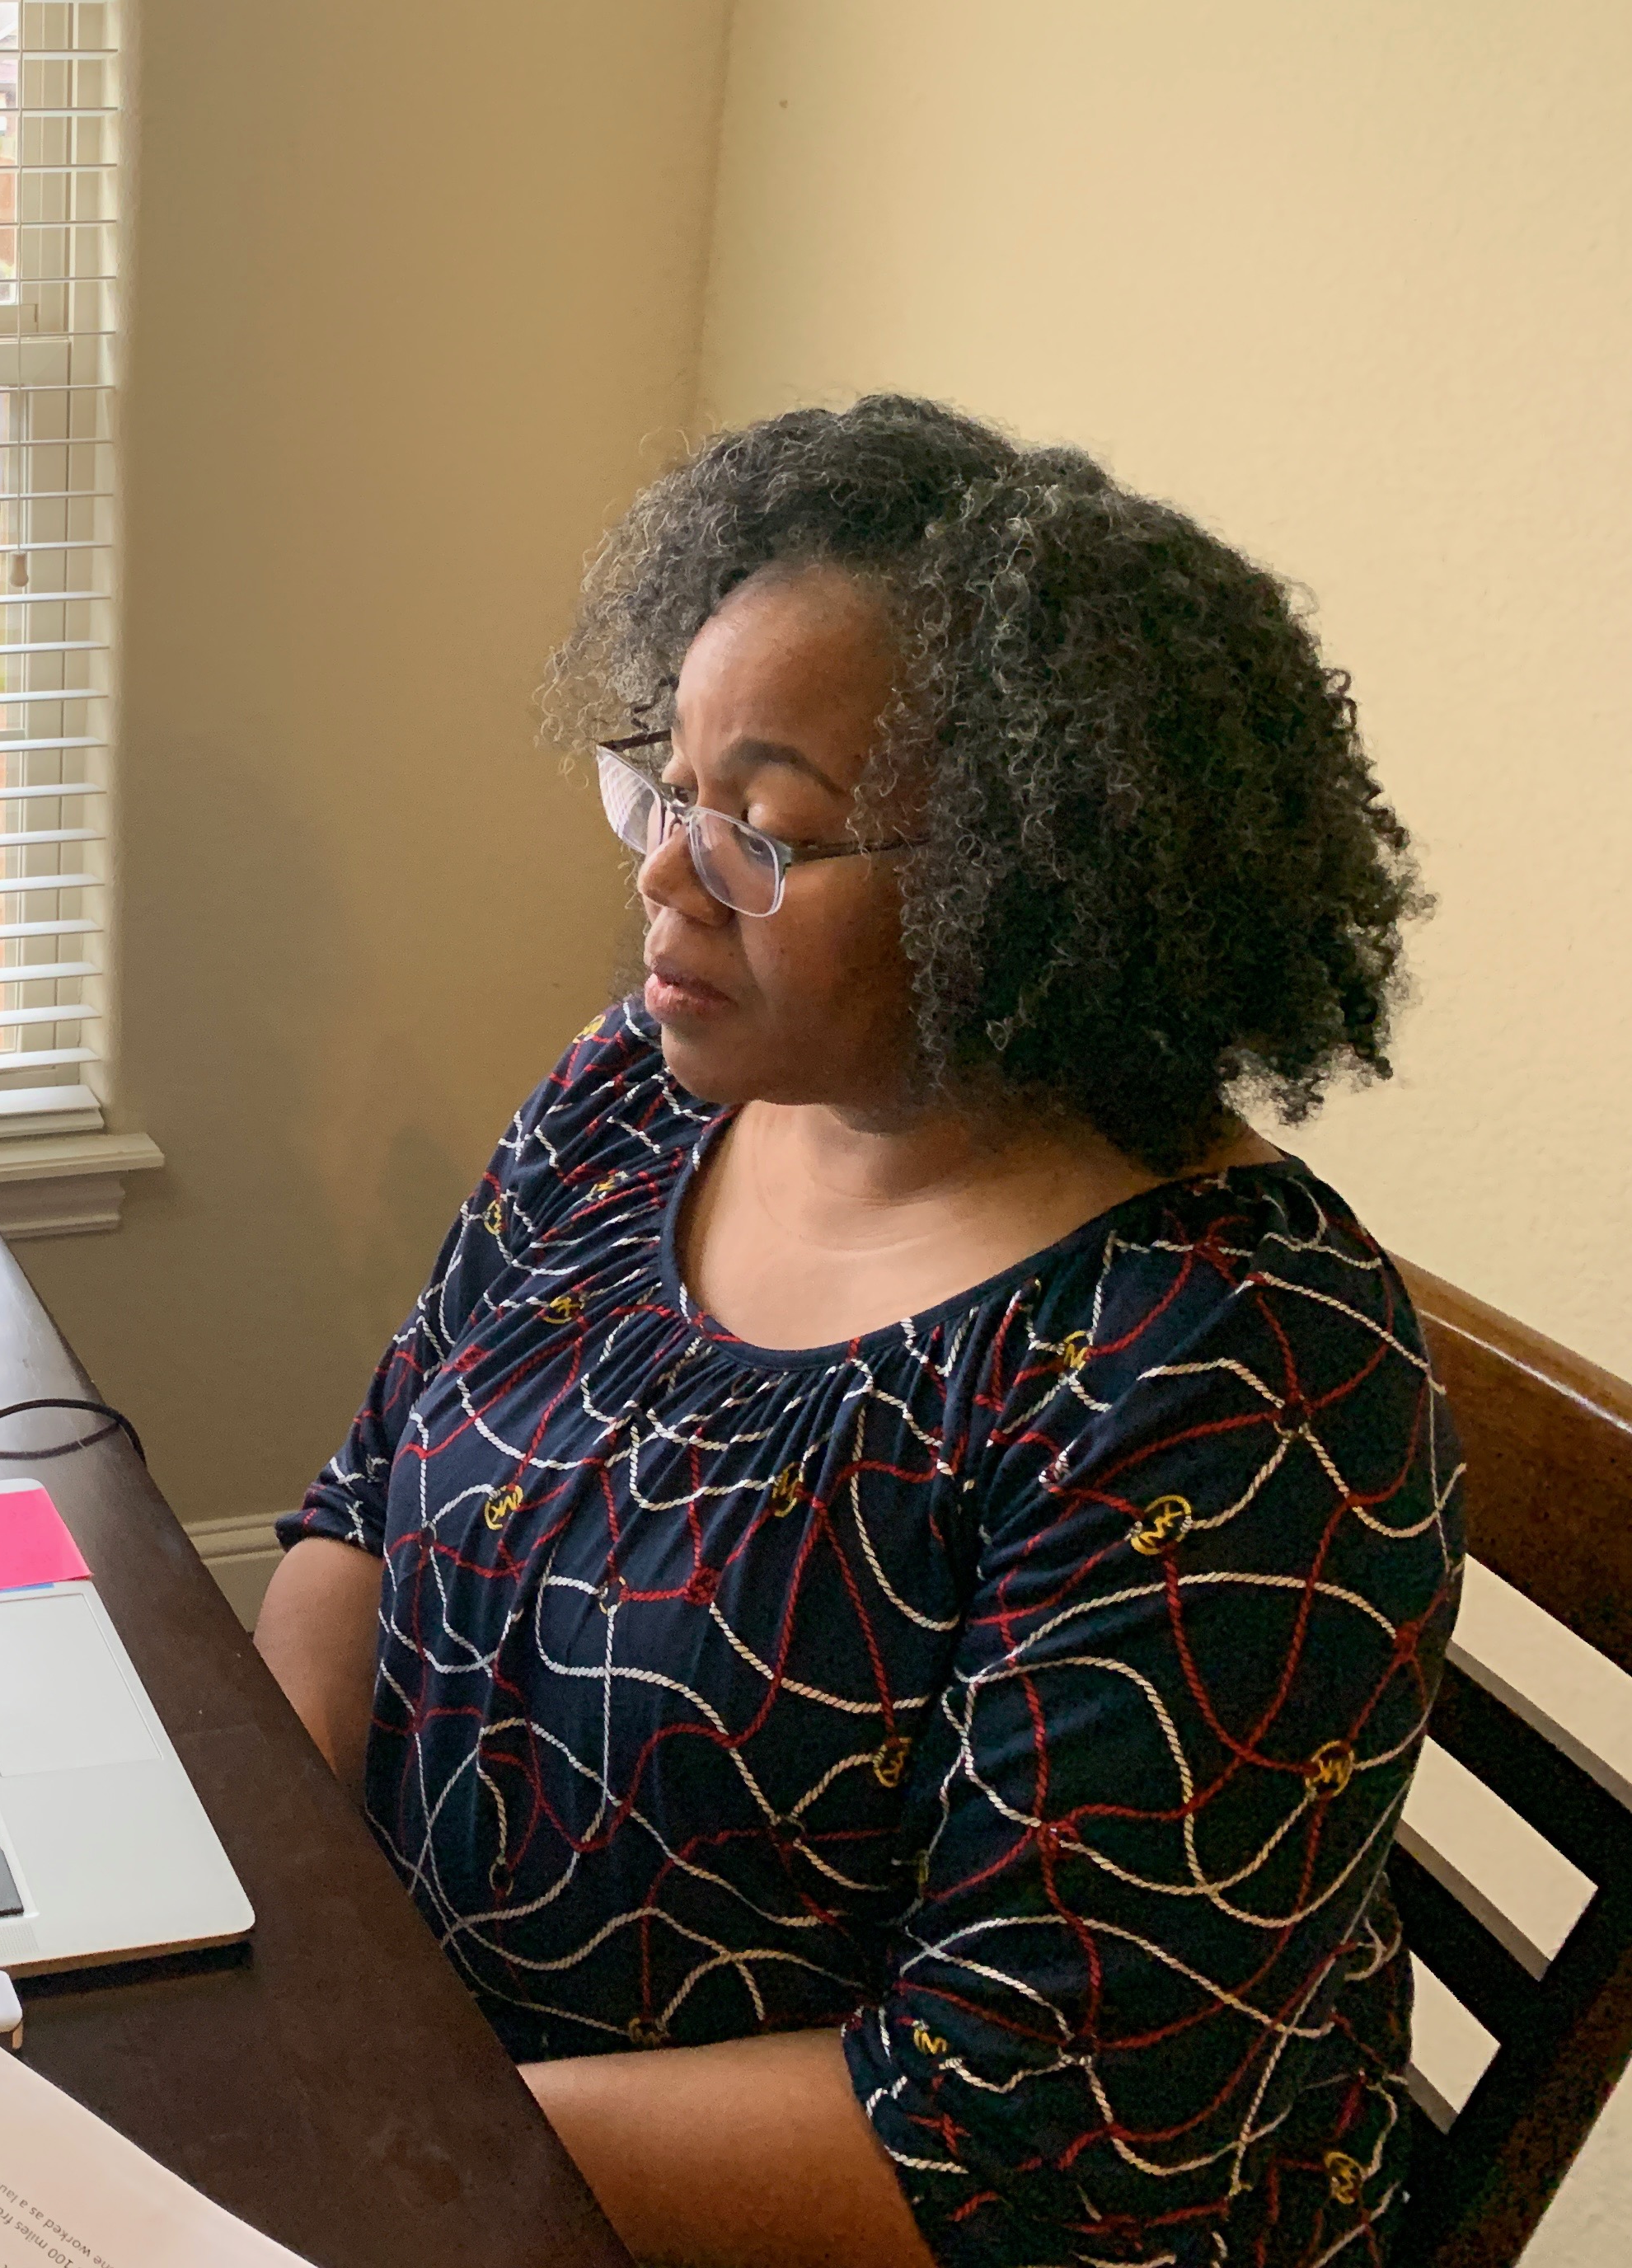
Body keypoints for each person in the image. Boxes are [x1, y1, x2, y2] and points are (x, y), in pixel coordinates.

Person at [256, 396, 1460, 2268]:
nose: (665, 873)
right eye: (665, 784)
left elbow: (1003, 2155)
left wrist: (381, 2129)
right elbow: (365, 1507)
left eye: (763, 831)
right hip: (431, 2112)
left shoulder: (1227, 1378)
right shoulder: (647, 1087)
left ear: (1030, 888)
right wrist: (270, 1915)